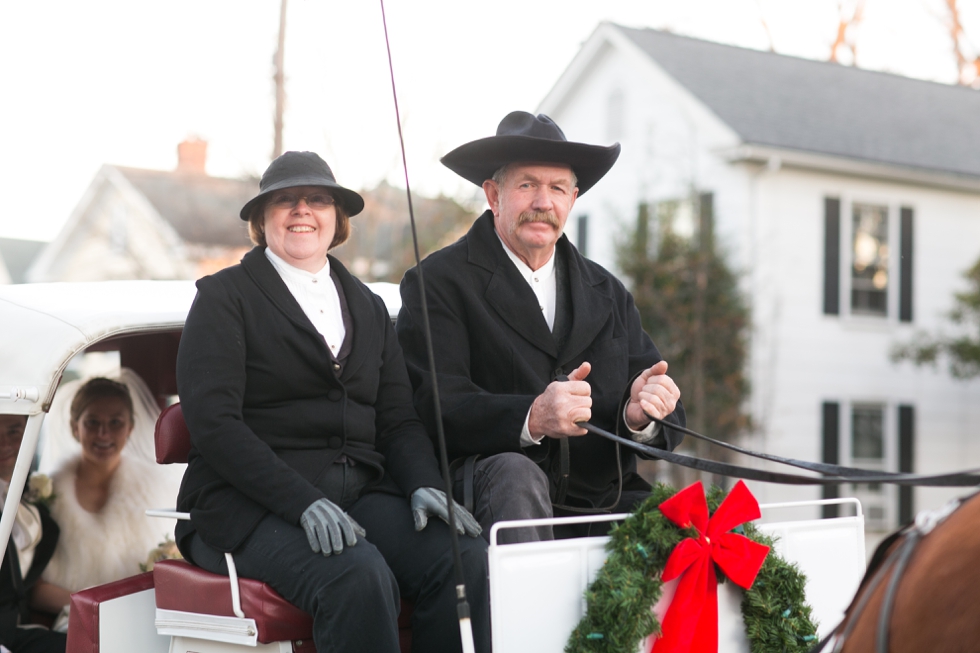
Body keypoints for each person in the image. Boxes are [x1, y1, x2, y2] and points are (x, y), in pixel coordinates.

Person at [174, 151, 489, 653]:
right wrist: (301, 502)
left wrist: (424, 483)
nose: (302, 210)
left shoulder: (369, 306)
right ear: (262, 219)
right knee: (357, 575)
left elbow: (398, 420)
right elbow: (215, 425)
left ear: (336, 219)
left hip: (358, 494)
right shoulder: (223, 297)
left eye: (317, 200)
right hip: (248, 504)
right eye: (285, 201)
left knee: (465, 558)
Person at [397, 111, 686, 543]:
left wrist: (640, 414)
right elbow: (436, 404)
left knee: (696, 535)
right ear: (493, 195)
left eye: (556, 189)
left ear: (572, 200)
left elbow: (668, 416)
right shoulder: (438, 283)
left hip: (603, 504)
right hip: (496, 498)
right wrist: (532, 417)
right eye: (527, 185)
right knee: (517, 474)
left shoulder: (608, 292)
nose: (542, 202)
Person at [35, 377, 178, 613]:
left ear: (130, 427)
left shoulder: (156, 489)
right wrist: (90, 610)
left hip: (136, 617)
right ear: (74, 427)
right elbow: (34, 589)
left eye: (115, 422)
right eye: (92, 422)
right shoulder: (48, 494)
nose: (103, 434)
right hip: (67, 621)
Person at [0, 414, 65, 653]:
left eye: (14, 431)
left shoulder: (32, 511)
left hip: (15, 631)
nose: (4, 443)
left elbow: (27, 585)